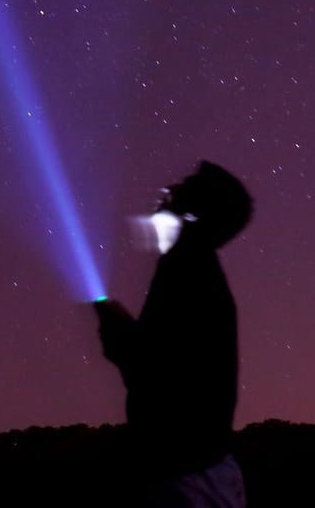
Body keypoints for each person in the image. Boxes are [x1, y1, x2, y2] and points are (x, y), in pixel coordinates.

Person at [94, 161, 253, 507]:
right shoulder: (191, 268)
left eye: (183, 188)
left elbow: (155, 373)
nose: (168, 191)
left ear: (195, 214)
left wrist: (121, 337)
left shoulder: (188, 270)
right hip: (198, 472)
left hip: (187, 478)